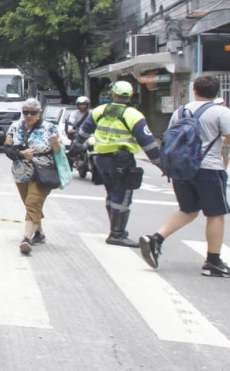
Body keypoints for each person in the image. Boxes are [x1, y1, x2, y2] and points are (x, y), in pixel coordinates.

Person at [138, 75, 230, 277]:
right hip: (209, 169)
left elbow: (170, 137)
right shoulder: (221, 112)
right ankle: (213, 261)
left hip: (182, 168)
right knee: (215, 214)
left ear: (194, 90)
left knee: (188, 210)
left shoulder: (181, 111)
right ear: (217, 92)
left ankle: (156, 239)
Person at [69, 81, 161, 248]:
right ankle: (117, 234)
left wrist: (74, 150)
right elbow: (148, 143)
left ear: (113, 95)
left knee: (111, 193)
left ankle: (115, 229)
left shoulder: (99, 110)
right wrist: (161, 164)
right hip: (122, 160)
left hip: (101, 159)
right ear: (130, 96)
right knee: (122, 195)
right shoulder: (134, 115)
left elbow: (83, 133)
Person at [4, 99, 61, 255]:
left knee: (32, 202)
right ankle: (39, 233)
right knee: (31, 205)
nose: (29, 116)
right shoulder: (15, 127)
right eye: (26, 112)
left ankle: (26, 238)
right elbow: (7, 149)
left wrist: (55, 142)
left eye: (32, 113)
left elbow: (58, 151)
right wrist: (21, 154)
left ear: (39, 112)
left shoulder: (49, 128)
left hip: (43, 172)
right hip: (21, 172)